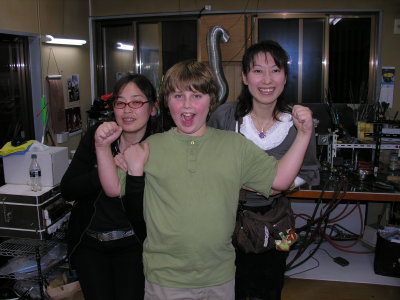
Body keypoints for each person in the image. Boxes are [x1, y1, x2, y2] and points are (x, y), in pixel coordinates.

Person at [118, 60, 314, 300]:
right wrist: (104, 148)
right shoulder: (150, 148)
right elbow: (112, 188)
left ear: (211, 101)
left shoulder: (235, 145)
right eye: (178, 96)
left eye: (197, 95)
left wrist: (304, 134)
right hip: (165, 280)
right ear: (166, 102)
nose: (187, 104)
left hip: (220, 278)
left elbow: (281, 180)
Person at [208, 40, 320, 300]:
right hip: (227, 221)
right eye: (258, 71)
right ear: (245, 77)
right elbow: (207, 161)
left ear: (285, 77)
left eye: (275, 70)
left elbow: (312, 170)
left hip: (281, 220)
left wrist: (279, 185)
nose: (267, 79)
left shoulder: (299, 121)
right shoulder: (225, 116)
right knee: (230, 287)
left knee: (273, 284)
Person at [60, 73, 159, 300]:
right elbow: (68, 189)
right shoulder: (99, 136)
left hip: (134, 245)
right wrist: (104, 166)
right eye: (120, 103)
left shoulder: (160, 145)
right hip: (90, 245)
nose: (127, 110)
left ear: (152, 108)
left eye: (136, 102)